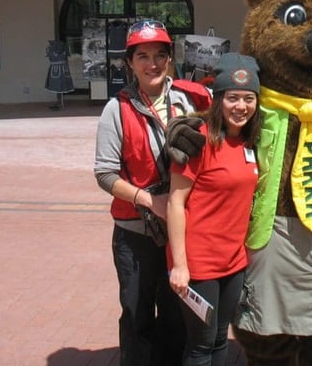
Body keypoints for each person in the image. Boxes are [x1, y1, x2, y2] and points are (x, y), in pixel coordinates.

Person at [94, 19, 212, 366]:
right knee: (137, 316)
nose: (152, 64)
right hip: (136, 234)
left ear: (170, 58)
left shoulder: (191, 100)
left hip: (181, 230)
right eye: (142, 56)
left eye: (160, 55)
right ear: (130, 62)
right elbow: (104, 174)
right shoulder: (117, 109)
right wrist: (150, 200)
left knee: (177, 315)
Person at [166, 53, 261, 366]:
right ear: (218, 99)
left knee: (220, 338)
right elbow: (175, 204)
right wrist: (180, 265)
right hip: (199, 264)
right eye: (232, 98)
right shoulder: (198, 141)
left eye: (249, 98)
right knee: (200, 345)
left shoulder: (250, 143)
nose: (241, 106)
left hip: (233, 261)